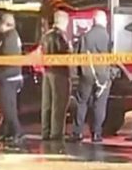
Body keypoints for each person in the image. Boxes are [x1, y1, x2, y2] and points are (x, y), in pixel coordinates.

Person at [70, 10, 112, 142]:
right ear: (104, 21)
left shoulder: (85, 37)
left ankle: (77, 132)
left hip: (87, 73)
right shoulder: (109, 37)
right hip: (103, 76)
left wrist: (77, 74)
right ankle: (96, 133)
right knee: (100, 104)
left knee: (82, 102)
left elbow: (78, 56)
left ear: (93, 21)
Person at [40, 9, 72, 141]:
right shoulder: (61, 36)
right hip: (60, 73)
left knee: (47, 104)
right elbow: (65, 54)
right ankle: (56, 133)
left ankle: (45, 131)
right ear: (64, 21)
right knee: (59, 104)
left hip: (47, 72)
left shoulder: (46, 36)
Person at [0, 13, 24, 147]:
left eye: (0, 23)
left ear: (5, 24)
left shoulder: (10, 37)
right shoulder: (10, 36)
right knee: (6, 106)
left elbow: (6, 56)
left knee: (8, 107)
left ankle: (18, 132)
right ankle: (7, 133)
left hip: (8, 76)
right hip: (10, 76)